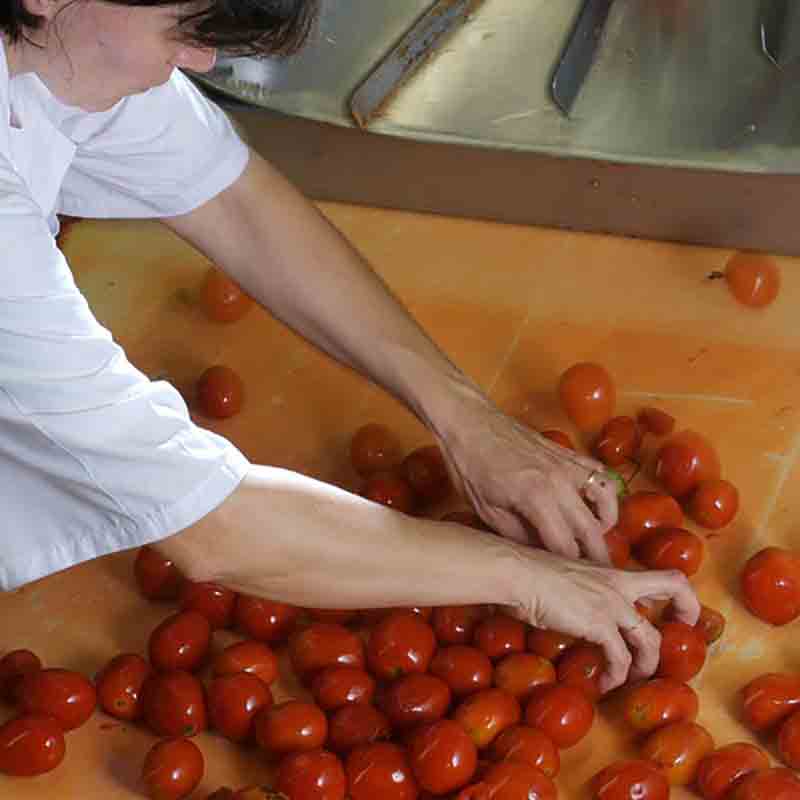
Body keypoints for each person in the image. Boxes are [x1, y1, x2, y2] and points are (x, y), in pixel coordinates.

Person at [0, 0, 698, 693]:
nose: (203, 61)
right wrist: (528, 579)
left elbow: (234, 203)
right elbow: (212, 527)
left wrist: (468, 422)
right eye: (182, 29)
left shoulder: (72, 36)